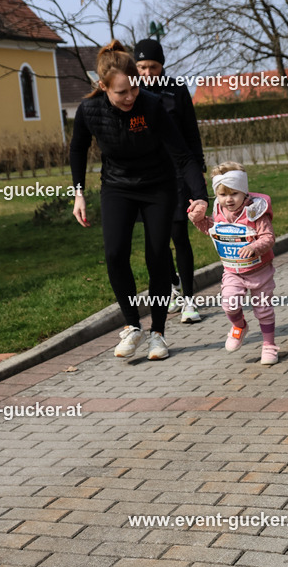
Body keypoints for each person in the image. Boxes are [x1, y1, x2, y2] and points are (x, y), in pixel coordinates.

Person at [70, 40, 208, 361]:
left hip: (158, 186)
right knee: (115, 253)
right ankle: (132, 326)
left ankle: (157, 333)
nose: (131, 96)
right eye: (121, 92)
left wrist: (200, 197)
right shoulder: (89, 110)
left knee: (157, 256)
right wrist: (78, 191)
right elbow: (77, 149)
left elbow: (183, 155)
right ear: (104, 87)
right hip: (117, 186)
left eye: (133, 88)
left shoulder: (151, 105)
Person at [134, 38, 206, 324]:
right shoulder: (133, 94)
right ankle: (174, 286)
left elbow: (191, 132)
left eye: (152, 66)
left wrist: (197, 168)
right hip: (148, 176)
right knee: (156, 242)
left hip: (178, 173)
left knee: (179, 237)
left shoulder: (176, 90)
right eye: (141, 67)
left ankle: (189, 299)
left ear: (161, 65)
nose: (147, 72)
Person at [187, 162, 279, 364]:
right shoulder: (219, 211)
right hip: (233, 270)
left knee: (263, 309)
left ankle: (269, 345)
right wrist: (199, 219)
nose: (228, 200)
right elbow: (212, 231)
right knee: (229, 304)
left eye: (234, 194)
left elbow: (269, 237)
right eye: (222, 195)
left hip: (259, 270)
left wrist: (255, 247)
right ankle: (239, 326)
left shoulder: (256, 211)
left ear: (244, 192)